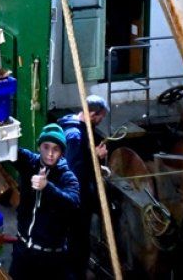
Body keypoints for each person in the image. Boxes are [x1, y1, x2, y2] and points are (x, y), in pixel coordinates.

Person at [11, 124, 81, 279]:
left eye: (56, 149)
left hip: (51, 259)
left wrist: (47, 187)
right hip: (22, 251)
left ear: (62, 152)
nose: (50, 153)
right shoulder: (30, 162)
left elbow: (73, 204)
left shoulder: (67, 177)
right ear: (39, 147)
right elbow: (9, 151)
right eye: (46, 147)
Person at [57, 95, 110, 280]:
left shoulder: (72, 125)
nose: (101, 120)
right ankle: (76, 274)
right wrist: (96, 156)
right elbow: (74, 171)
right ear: (94, 114)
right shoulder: (75, 135)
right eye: (101, 117)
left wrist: (92, 157)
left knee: (73, 238)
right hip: (76, 199)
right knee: (77, 240)